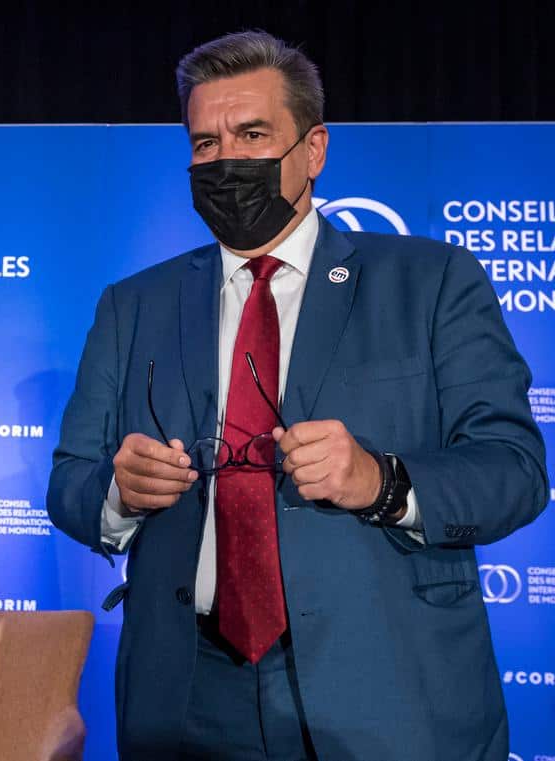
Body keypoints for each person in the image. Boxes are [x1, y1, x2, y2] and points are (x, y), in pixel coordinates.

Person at [48, 30, 547, 761]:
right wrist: (119, 491)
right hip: (188, 697)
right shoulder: (133, 305)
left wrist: (382, 479)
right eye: (205, 144)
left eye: (252, 135)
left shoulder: (431, 282)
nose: (225, 161)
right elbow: (67, 485)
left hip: (387, 691)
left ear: (313, 150)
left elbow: (514, 471)